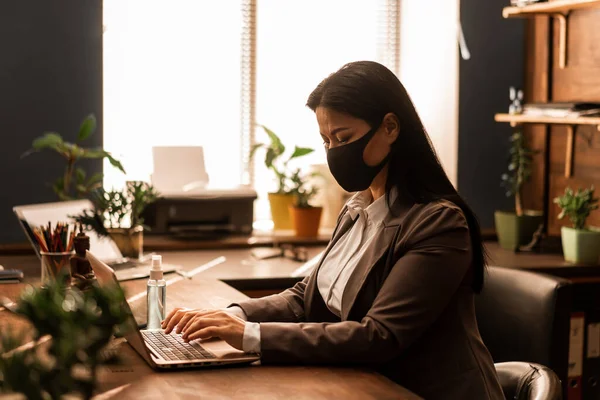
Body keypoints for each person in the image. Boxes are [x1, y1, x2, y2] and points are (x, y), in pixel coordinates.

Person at [162, 61, 504, 399]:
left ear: (390, 127)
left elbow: (380, 336)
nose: (334, 152)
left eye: (344, 138)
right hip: (360, 384)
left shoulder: (438, 223)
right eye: (326, 141)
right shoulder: (357, 209)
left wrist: (252, 335)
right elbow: (306, 297)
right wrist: (231, 315)